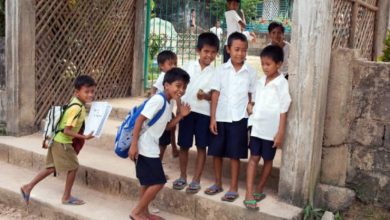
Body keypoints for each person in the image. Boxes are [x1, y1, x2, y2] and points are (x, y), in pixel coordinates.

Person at [20, 75, 96, 205]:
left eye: (92, 91)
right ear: (77, 92)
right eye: (86, 92)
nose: (90, 95)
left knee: (51, 167)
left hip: (56, 140)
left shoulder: (76, 102)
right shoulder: (76, 108)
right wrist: (85, 137)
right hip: (63, 142)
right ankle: (66, 197)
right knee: (73, 166)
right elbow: (67, 130)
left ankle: (28, 187)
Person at [128, 68, 191, 220]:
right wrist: (134, 144)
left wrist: (181, 115)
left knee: (147, 182)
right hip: (144, 147)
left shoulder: (168, 103)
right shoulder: (158, 100)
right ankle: (136, 212)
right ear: (166, 85)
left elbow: (167, 126)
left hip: (151, 147)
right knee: (159, 181)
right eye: (178, 85)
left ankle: (144, 212)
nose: (181, 90)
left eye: (184, 87)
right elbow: (139, 120)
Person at [205, 32, 257, 202]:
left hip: (239, 119)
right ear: (228, 49)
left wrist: (252, 107)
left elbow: (252, 95)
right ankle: (218, 183)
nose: (240, 53)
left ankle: (234, 187)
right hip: (220, 117)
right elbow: (215, 95)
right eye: (236, 49)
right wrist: (212, 118)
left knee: (235, 154)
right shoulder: (220, 70)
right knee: (216, 152)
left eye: (244, 50)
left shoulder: (251, 72)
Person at [244, 45, 291, 210]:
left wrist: (281, 132)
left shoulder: (282, 83)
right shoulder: (259, 82)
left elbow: (284, 109)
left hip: (271, 131)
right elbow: (255, 101)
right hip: (256, 127)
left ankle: (260, 188)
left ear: (278, 64)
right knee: (253, 158)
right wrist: (251, 107)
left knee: (268, 160)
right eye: (262, 63)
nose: (264, 67)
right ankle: (249, 193)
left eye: (268, 64)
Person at [172, 32, 220, 194]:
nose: (209, 55)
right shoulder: (187, 66)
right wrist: (178, 107)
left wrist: (204, 96)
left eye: (213, 52)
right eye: (206, 51)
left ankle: (196, 179)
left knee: (201, 146)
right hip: (187, 112)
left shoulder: (215, 73)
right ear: (198, 50)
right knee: (184, 145)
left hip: (204, 114)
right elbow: (178, 89)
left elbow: (214, 95)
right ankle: (183, 176)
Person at [152, 50, 180, 159]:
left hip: (167, 113)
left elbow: (177, 95)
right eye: (170, 64)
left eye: (175, 64)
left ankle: (173, 148)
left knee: (170, 129)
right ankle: (157, 167)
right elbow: (153, 89)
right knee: (162, 143)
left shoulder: (171, 77)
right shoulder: (164, 76)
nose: (173, 66)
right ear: (161, 66)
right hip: (161, 114)